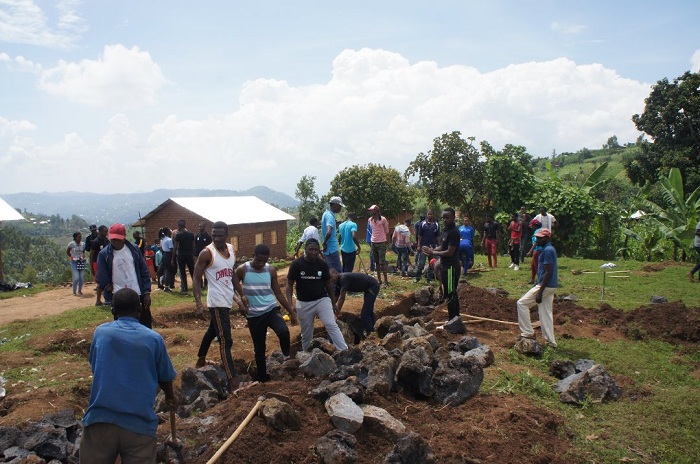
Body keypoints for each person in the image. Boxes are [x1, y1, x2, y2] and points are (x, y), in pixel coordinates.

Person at [80, 288, 177, 464]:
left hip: (101, 420)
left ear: (113, 311)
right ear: (139, 310)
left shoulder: (101, 333)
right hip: (139, 425)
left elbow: (96, 366)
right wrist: (170, 397)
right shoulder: (153, 339)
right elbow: (165, 377)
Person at [192, 221, 245, 390]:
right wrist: (199, 303)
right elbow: (195, 277)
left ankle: (201, 359)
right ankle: (233, 380)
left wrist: (241, 296)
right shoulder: (207, 253)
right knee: (225, 340)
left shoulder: (230, 249)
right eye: (213, 235)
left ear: (227, 235)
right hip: (216, 302)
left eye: (220, 235)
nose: (216, 238)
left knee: (213, 330)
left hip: (227, 299)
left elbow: (232, 275)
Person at [235, 244, 297, 382]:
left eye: (264, 261)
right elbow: (233, 283)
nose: (261, 264)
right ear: (253, 255)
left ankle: (286, 355)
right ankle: (263, 378)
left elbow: (278, 293)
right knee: (259, 347)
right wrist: (240, 300)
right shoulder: (243, 269)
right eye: (258, 260)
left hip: (270, 308)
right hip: (254, 315)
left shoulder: (270, 270)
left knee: (283, 332)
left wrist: (291, 311)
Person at [286, 238, 348, 351]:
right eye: (311, 249)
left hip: (322, 300)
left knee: (331, 324)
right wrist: (290, 304)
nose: (314, 252)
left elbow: (328, 284)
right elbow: (289, 285)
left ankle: (344, 350)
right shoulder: (297, 264)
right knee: (306, 334)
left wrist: (333, 303)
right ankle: (306, 356)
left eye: (316, 250)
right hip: (303, 303)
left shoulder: (322, 264)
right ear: (305, 249)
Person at [96, 223, 154, 328]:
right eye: (113, 239)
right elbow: (101, 276)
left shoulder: (134, 250)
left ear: (124, 237)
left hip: (138, 294)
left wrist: (146, 292)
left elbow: (144, 272)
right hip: (119, 297)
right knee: (123, 328)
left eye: (118, 239)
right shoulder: (104, 254)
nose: (115, 242)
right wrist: (107, 287)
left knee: (145, 324)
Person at [516, 228, 558, 348]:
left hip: (546, 286)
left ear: (547, 238)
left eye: (540, 238)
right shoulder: (548, 249)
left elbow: (548, 272)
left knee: (522, 303)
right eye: (537, 237)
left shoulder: (548, 250)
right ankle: (551, 342)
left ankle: (528, 333)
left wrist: (540, 290)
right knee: (546, 313)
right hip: (550, 285)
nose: (537, 239)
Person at [423, 208, 461, 320]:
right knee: (448, 293)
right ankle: (453, 318)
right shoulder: (445, 230)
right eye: (443, 217)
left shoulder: (454, 232)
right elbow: (443, 247)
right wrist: (433, 249)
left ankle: (454, 319)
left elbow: (450, 252)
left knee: (450, 293)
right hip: (445, 266)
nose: (444, 220)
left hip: (450, 268)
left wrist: (433, 252)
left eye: (447, 217)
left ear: (453, 217)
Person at [331, 269, 381, 334]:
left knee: (365, 314)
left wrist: (337, 313)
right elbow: (335, 298)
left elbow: (342, 298)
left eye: (332, 277)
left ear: (336, 273)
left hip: (372, 286)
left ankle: (371, 334)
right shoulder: (336, 283)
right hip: (368, 288)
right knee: (369, 311)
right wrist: (327, 309)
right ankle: (372, 330)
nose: (331, 280)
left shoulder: (344, 278)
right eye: (329, 279)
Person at [368, 205, 390, 286]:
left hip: (381, 243)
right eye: (370, 211)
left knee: (382, 262)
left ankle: (386, 281)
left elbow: (387, 231)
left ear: (376, 211)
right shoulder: (370, 220)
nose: (371, 212)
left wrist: (386, 241)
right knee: (376, 262)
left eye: (372, 211)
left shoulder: (383, 219)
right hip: (373, 242)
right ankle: (379, 280)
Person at [415, 211, 439, 283]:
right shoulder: (423, 224)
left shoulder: (436, 224)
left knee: (431, 264)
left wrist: (439, 246)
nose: (430, 215)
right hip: (423, 247)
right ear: (427, 215)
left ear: (433, 215)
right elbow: (420, 236)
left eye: (431, 214)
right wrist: (419, 245)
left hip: (432, 248)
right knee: (421, 264)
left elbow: (437, 236)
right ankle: (417, 278)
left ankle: (429, 279)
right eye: (428, 214)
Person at [172, 219, 195, 294]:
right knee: (192, 271)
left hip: (181, 254)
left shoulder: (178, 235)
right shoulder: (191, 234)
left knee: (182, 272)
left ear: (179, 226)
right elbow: (193, 245)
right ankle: (196, 286)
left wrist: (173, 258)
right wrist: (193, 255)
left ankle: (184, 289)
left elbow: (175, 247)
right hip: (189, 254)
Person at [322, 197, 344, 272]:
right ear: (335, 205)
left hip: (329, 250)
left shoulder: (326, 214)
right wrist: (324, 243)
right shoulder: (330, 216)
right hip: (331, 249)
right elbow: (329, 232)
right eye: (340, 206)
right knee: (337, 273)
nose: (340, 208)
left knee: (330, 272)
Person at [90, 225, 110, 306]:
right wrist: (91, 267)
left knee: (107, 281)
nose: (106, 233)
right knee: (101, 282)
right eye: (105, 231)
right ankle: (98, 300)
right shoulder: (96, 242)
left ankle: (107, 299)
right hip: (97, 263)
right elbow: (91, 254)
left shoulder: (106, 240)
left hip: (106, 263)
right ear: (100, 231)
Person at [525, 219, 543, 285]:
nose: (531, 227)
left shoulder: (537, 231)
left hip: (538, 250)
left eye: (532, 226)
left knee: (537, 266)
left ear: (535, 225)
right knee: (533, 265)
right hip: (537, 250)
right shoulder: (538, 230)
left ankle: (540, 280)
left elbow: (536, 242)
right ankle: (532, 279)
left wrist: (530, 251)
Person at [159, 227, 175, 291]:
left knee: (166, 270)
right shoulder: (169, 240)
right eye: (169, 230)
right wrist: (173, 258)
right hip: (168, 255)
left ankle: (165, 285)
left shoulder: (162, 239)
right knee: (168, 271)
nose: (170, 231)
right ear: (167, 232)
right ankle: (166, 286)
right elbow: (171, 250)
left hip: (164, 255)